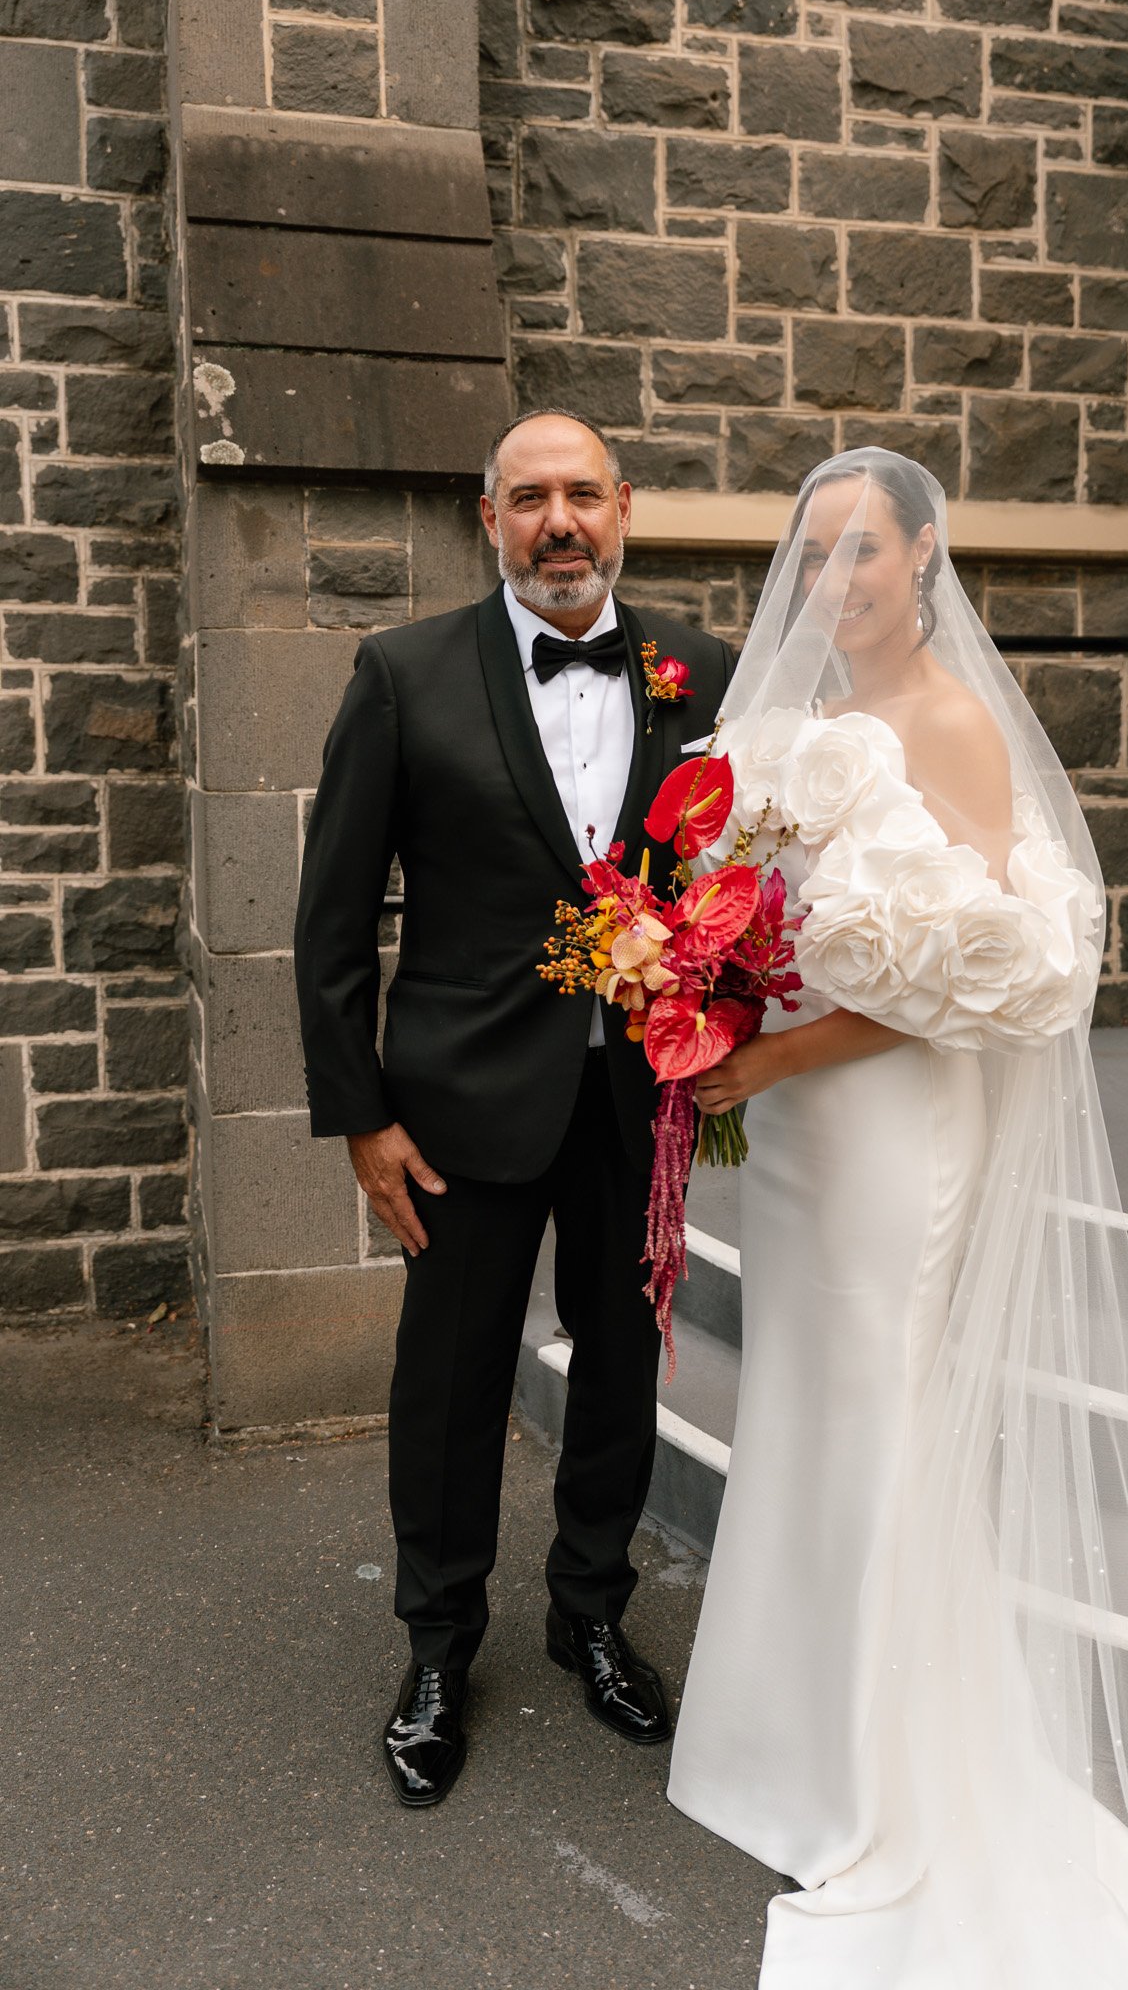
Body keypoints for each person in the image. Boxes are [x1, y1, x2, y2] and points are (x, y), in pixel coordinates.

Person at [666, 451, 1128, 1990]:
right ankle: (786, 1742)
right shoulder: (804, 726)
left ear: (927, 554)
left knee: (882, 1412)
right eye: (813, 556)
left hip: (889, 1125)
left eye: (863, 552)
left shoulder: (949, 722)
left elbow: (980, 979)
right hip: (811, 1133)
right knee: (810, 1408)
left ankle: (882, 1773)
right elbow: (777, 923)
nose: (834, 583)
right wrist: (696, 983)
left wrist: (768, 1051)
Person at [294, 409, 734, 1806]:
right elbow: (331, 921)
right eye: (528, 497)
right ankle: (438, 1643)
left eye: (582, 495)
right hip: (458, 1104)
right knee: (450, 1384)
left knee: (620, 1367)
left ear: (624, 509)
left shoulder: (701, 675)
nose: (558, 521)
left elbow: (742, 886)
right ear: (488, 520)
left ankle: (591, 1615)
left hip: (637, 1099)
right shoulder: (402, 673)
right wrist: (361, 1116)